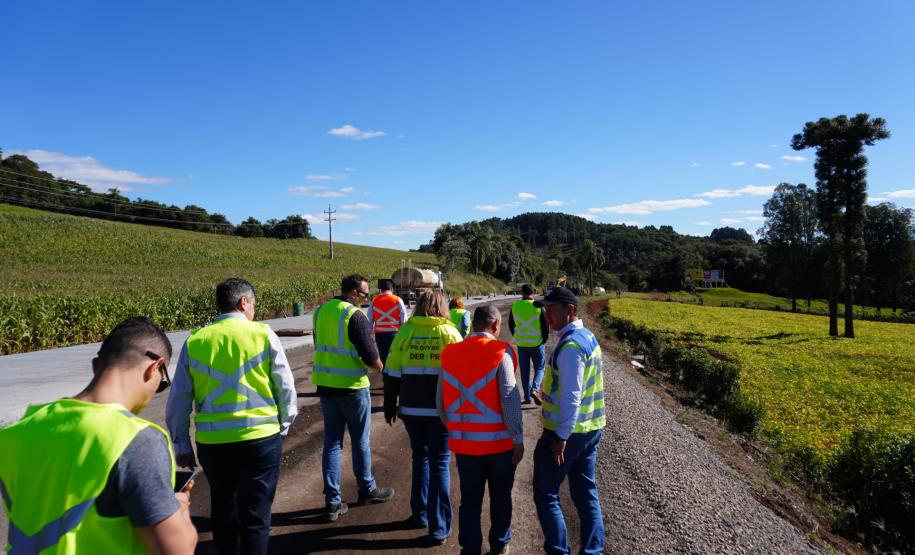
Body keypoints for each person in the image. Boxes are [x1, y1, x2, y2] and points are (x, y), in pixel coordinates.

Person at [0, 317, 197, 554]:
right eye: (161, 383)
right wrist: (179, 507)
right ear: (154, 368)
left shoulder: (17, 430)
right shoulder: (136, 439)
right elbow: (177, 549)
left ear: (96, 366)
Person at [166, 278, 297, 554]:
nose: (254, 311)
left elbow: (179, 399)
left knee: (223, 510)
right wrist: (282, 427)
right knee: (255, 516)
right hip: (260, 439)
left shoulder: (196, 340)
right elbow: (285, 387)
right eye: (253, 305)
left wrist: (181, 444)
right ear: (243, 302)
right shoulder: (263, 334)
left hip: (213, 444)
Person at [439, 305, 524, 555]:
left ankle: (470, 548)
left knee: (470, 500)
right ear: (495, 325)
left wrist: (456, 428)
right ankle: (499, 545)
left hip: (465, 447)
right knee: (501, 498)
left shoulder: (450, 353)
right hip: (500, 446)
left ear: (474, 323)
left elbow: (440, 402)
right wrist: (518, 437)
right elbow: (509, 397)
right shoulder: (500, 352)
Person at [312, 274, 394, 522]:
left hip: (326, 386)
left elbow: (319, 343)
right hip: (352, 387)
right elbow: (370, 356)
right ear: (354, 294)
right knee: (360, 441)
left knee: (332, 443)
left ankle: (332, 501)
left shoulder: (320, 312)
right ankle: (367, 489)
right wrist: (381, 368)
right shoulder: (355, 316)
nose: (367, 299)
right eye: (365, 295)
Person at [384, 290, 462, 544]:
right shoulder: (450, 334)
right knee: (440, 463)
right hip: (441, 412)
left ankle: (420, 514)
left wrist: (389, 404)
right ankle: (438, 528)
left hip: (411, 409)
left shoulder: (405, 332)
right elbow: (462, 376)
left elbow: (392, 371)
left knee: (420, 459)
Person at [532, 286, 605, 555]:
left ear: (570, 310)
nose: (547, 315)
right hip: (590, 429)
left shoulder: (571, 347)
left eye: (551, 309)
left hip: (567, 433)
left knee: (546, 493)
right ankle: (593, 550)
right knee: (585, 493)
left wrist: (560, 437)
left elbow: (572, 398)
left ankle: (558, 550)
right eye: (545, 310)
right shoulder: (587, 337)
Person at [509, 284, 549, 405]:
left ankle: (527, 397)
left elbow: (511, 324)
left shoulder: (515, 305)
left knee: (524, 372)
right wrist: (544, 339)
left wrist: (516, 336)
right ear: (533, 292)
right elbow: (545, 324)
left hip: (521, 343)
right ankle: (535, 389)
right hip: (537, 342)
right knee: (540, 368)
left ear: (521, 293)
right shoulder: (538, 306)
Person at [367, 279, 407, 365]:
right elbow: (404, 319)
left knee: (383, 356)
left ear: (381, 290)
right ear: (391, 289)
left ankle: (384, 372)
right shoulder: (398, 300)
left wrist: (369, 335)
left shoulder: (374, 300)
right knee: (394, 356)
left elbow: (369, 319)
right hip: (394, 333)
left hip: (379, 335)